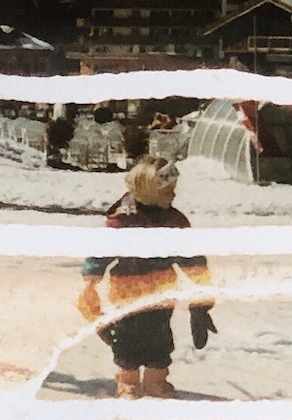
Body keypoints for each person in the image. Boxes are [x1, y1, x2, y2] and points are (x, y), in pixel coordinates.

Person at [76, 155, 213, 398]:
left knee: (160, 340)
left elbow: (192, 260)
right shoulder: (123, 220)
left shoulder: (175, 222)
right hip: (127, 293)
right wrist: (91, 281)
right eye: (168, 190)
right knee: (127, 342)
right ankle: (127, 383)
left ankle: (155, 381)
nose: (174, 194)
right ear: (150, 191)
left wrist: (201, 301)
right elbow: (101, 252)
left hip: (162, 292)